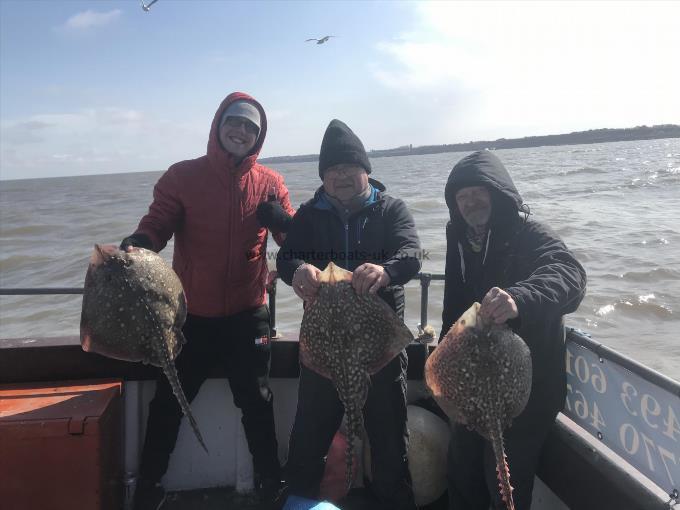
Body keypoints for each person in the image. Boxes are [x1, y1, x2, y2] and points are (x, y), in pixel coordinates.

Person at [120, 92, 295, 510]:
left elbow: (295, 243)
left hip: (248, 314)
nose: (241, 131)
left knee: (257, 401)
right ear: (218, 126)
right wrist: (139, 243)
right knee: (168, 403)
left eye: (250, 127)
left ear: (259, 137)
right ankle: (148, 487)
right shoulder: (182, 176)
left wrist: (284, 222)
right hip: (190, 316)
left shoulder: (270, 183)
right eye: (234, 123)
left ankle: (270, 483)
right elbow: (157, 224)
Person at [276, 119, 422, 510]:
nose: (340, 176)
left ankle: (393, 501)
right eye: (332, 170)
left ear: (366, 171)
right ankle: (301, 499)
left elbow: (411, 254)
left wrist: (385, 271)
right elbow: (286, 256)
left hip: (380, 347)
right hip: (325, 345)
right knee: (309, 434)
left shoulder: (391, 210)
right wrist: (297, 271)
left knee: (389, 437)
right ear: (323, 177)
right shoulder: (309, 215)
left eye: (349, 168)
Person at [440, 150, 587, 510]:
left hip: (527, 385)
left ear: (498, 193)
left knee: (504, 480)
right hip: (473, 381)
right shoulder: (460, 238)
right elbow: (454, 304)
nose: (471, 202)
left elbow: (571, 275)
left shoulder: (529, 233)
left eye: (479, 192)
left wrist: (519, 299)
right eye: (462, 197)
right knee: (461, 471)